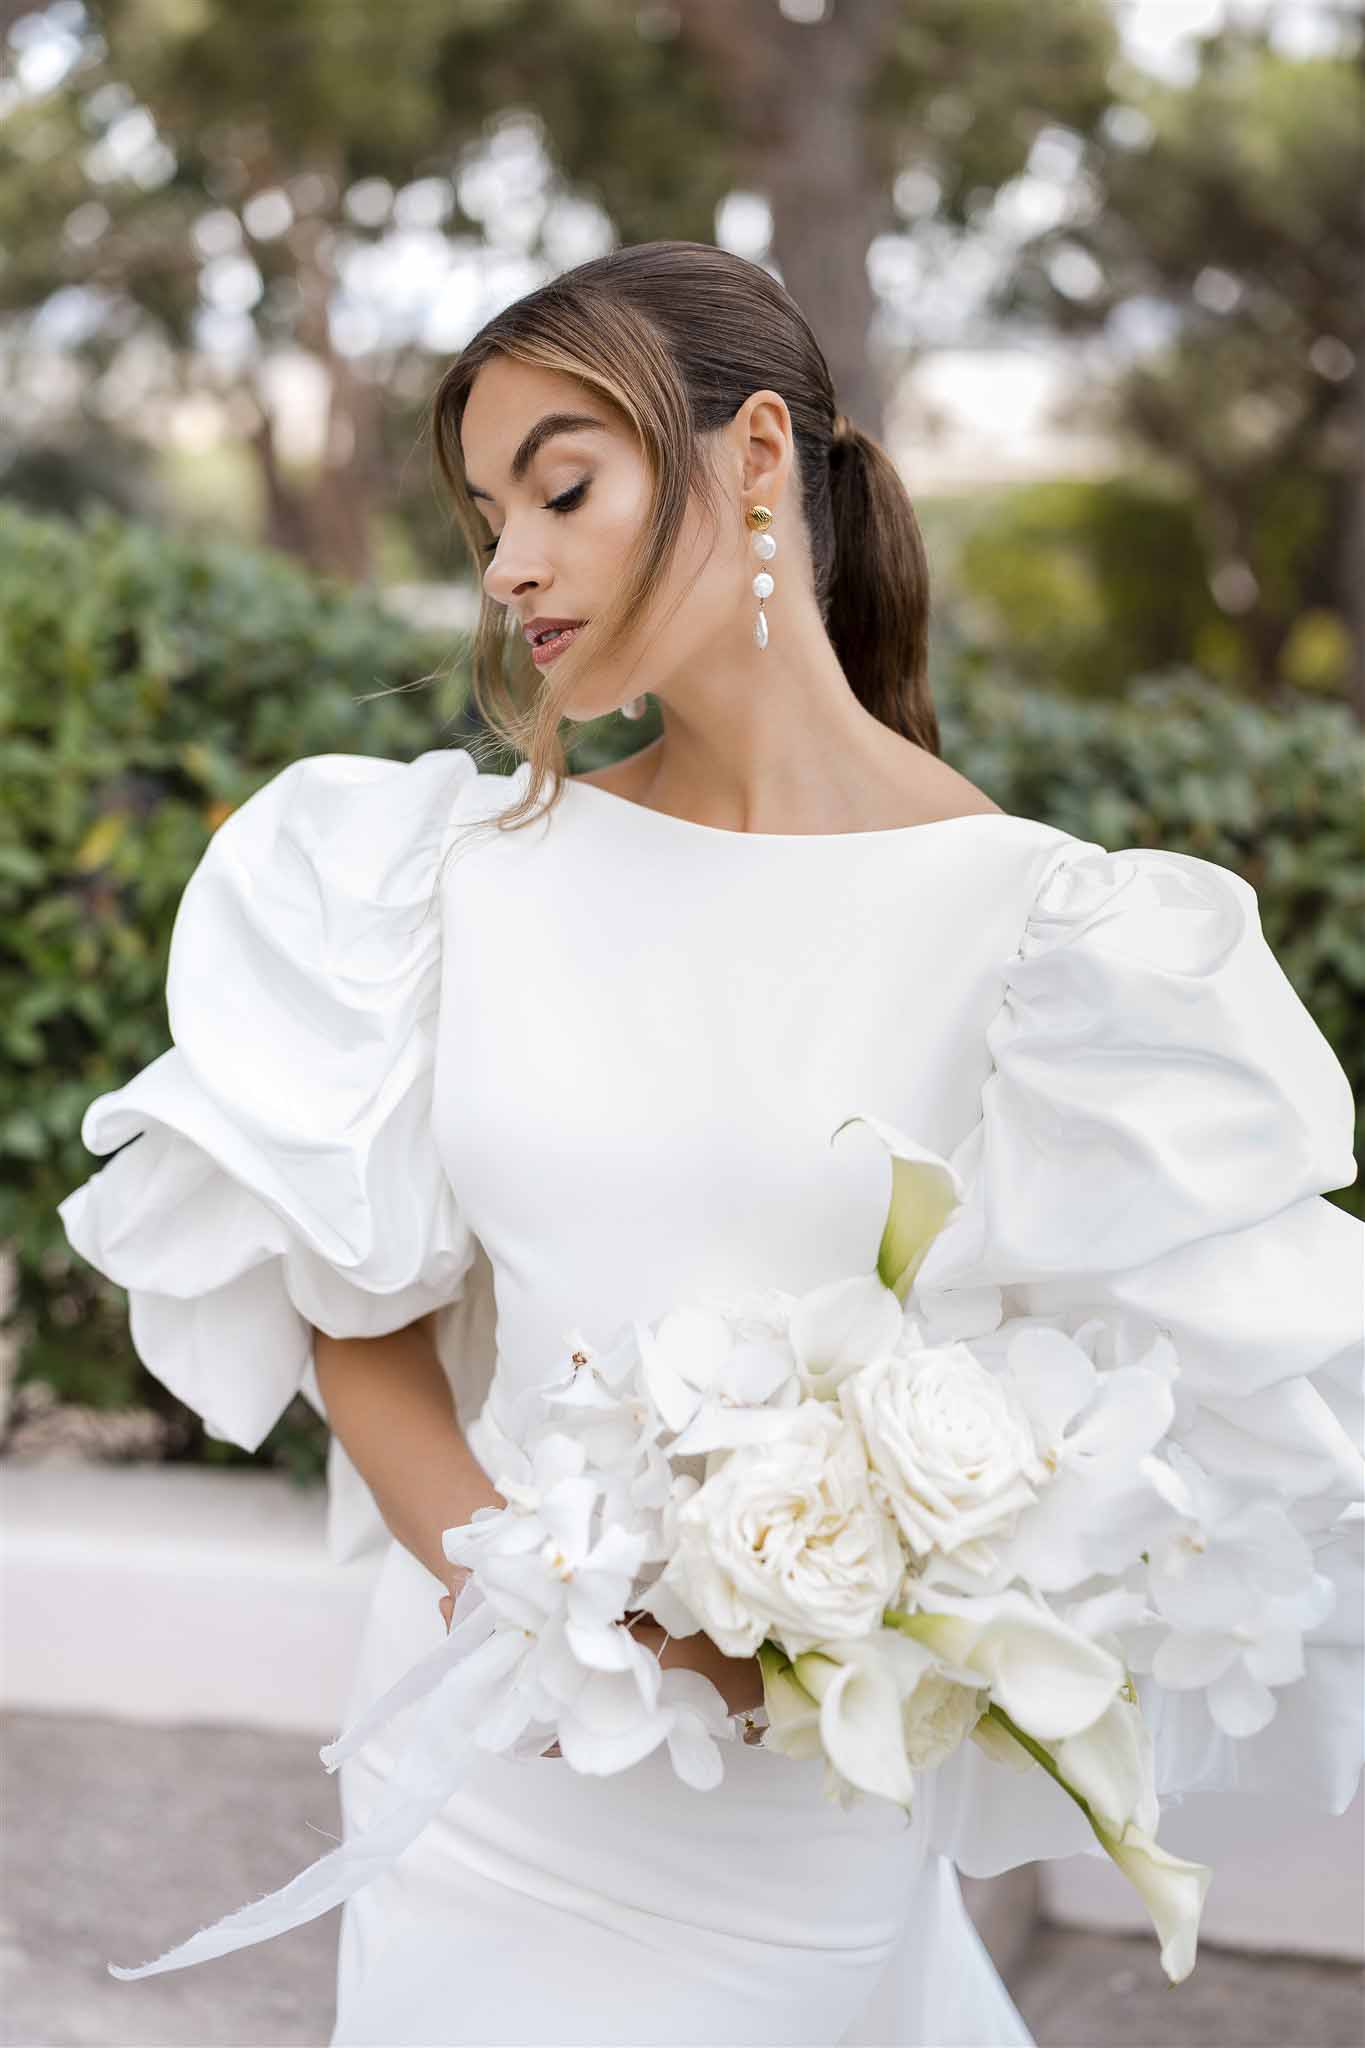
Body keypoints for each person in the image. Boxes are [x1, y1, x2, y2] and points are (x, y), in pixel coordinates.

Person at [57, 241, 1362, 2048]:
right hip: (484, 1761)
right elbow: (355, 1316)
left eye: (562, 487)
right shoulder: (443, 879)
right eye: (481, 514)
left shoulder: (1050, 937)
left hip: (789, 1818)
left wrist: (842, 1624)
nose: (508, 561)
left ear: (755, 459)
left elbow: (1116, 1434)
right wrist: (544, 1601)